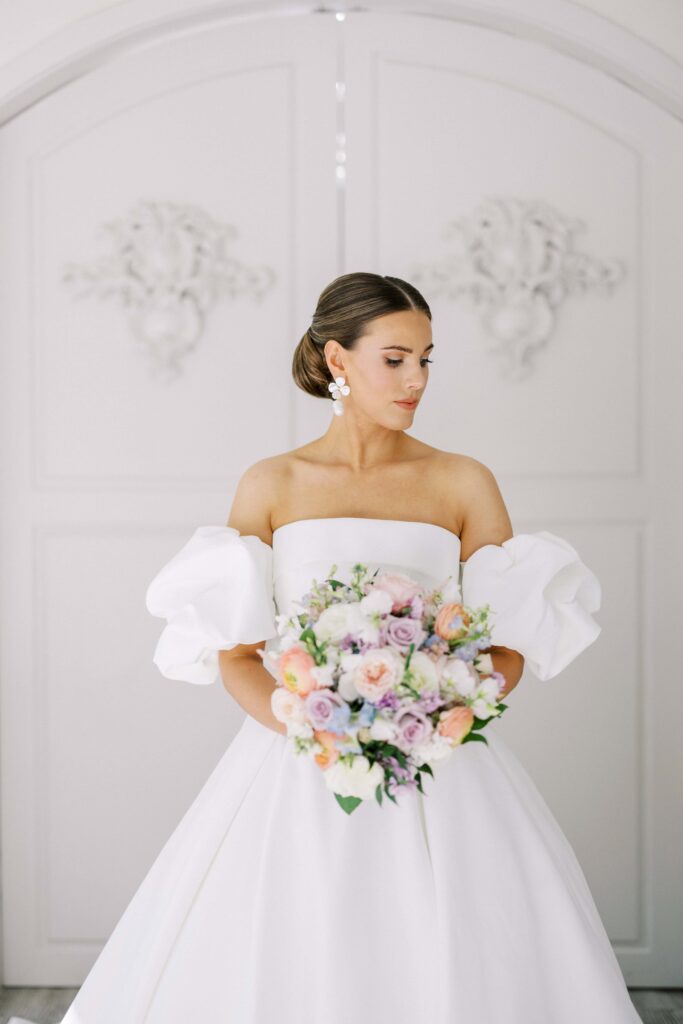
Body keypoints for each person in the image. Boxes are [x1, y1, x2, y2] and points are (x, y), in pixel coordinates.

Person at [48, 272, 641, 1023]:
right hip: (294, 756)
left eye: (427, 358)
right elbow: (235, 654)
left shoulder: (462, 480)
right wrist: (316, 727)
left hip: (437, 756)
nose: (416, 378)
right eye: (395, 358)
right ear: (336, 360)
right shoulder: (273, 482)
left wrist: (432, 711)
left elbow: (509, 644)